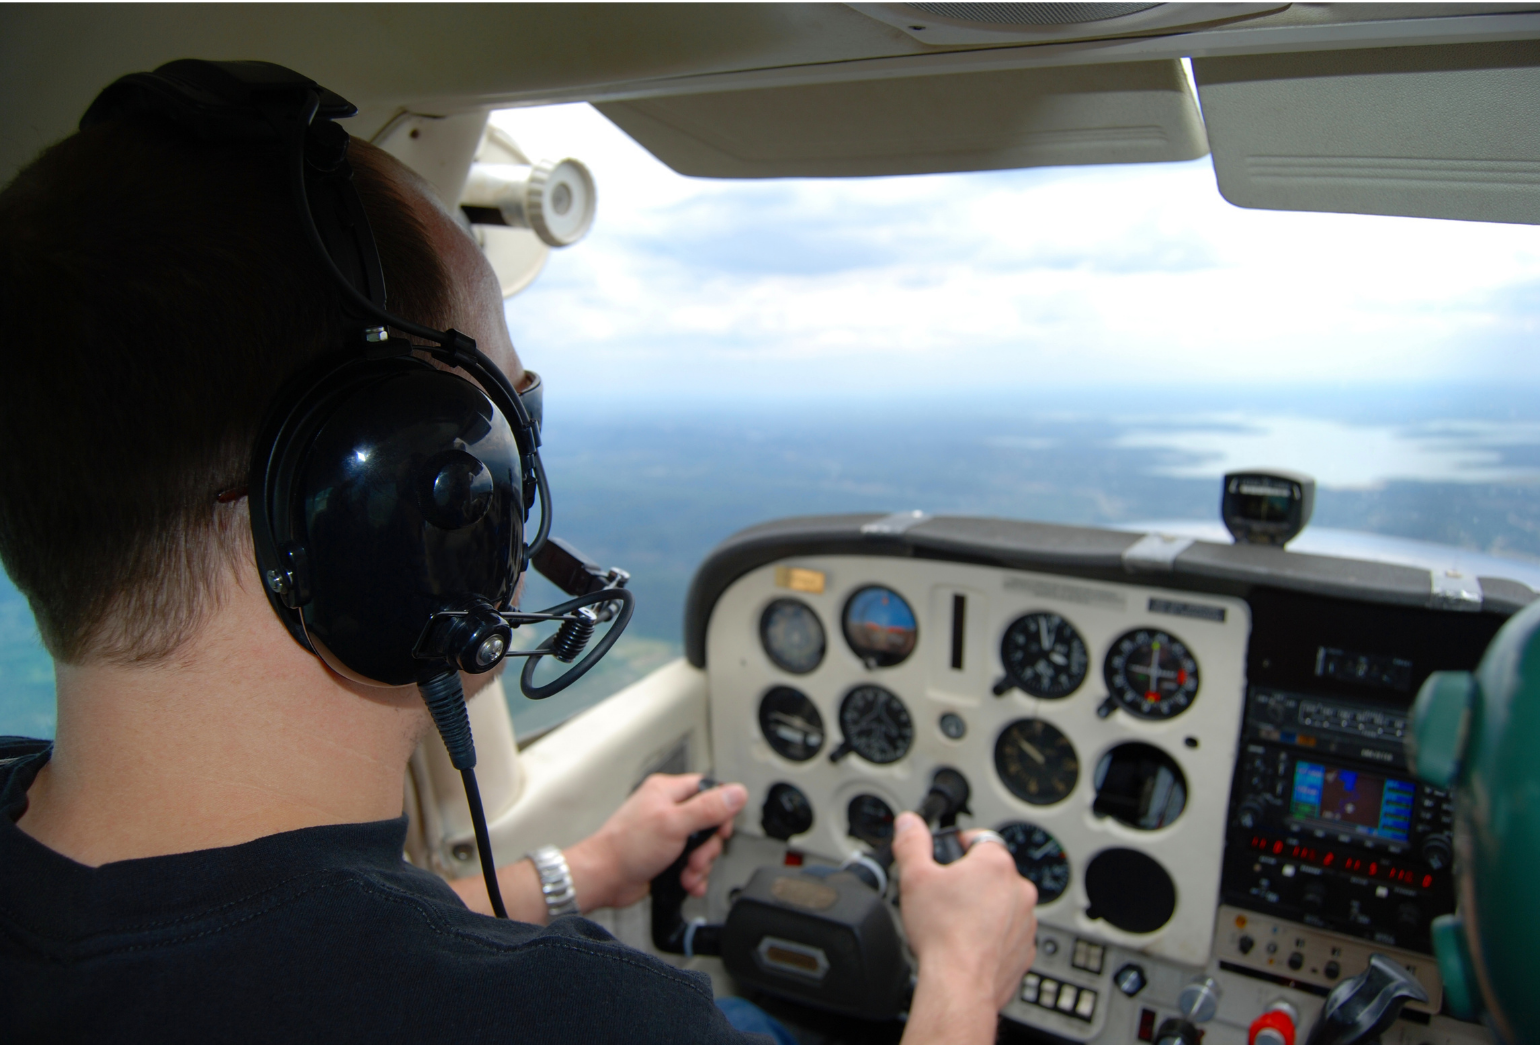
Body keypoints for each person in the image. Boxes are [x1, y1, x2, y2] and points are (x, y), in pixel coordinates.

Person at [0, 71, 1038, 1043]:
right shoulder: (581, 1019)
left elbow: (256, 939)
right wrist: (958, 975)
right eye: (497, 420)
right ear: (398, 497)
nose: (511, 481)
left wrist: (577, 871)